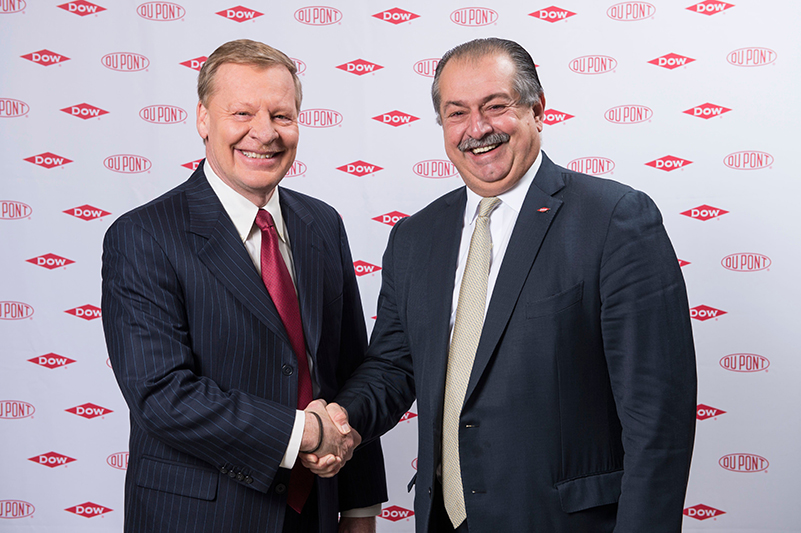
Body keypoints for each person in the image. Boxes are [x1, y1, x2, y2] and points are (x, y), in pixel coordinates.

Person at [309, 38, 697, 532]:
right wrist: (340, 420)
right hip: (444, 519)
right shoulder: (414, 237)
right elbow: (393, 365)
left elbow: (658, 418)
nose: (477, 129)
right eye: (457, 113)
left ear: (537, 109)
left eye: (496, 106)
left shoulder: (614, 221)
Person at [101, 39, 386, 533]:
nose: (264, 133)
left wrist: (359, 509)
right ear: (203, 119)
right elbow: (161, 395)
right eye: (242, 113)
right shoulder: (143, 235)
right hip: (199, 516)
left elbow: (346, 371)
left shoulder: (322, 224)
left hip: (314, 511)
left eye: (281, 115)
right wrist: (305, 432)